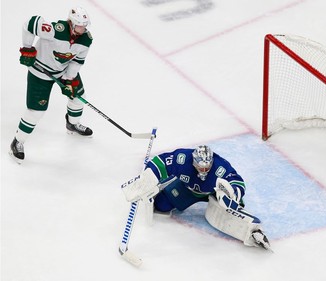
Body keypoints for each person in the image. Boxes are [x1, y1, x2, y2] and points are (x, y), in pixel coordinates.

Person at [123, 145, 271, 250]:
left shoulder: (220, 167)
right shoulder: (183, 159)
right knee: (161, 205)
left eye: (207, 167)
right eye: (201, 167)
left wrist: (233, 194)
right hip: (188, 190)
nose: (204, 170)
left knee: (231, 205)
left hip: (214, 192)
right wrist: (148, 177)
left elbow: (237, 181)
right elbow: (160, 161)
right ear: (194, 161)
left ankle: (253, 232)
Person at [9, 7, 93, 164]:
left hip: (63, 71)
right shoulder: (55, 30)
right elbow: (29, 23)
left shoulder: (86, 39)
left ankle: (72, 124)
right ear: (71, 23)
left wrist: (69, 79)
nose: (83, 29)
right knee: (36, 112)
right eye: (80, 25)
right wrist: (27, 48)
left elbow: (77, 61)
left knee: (79, 98)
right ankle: (17, 141)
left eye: (85, 25)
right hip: (40, 73)